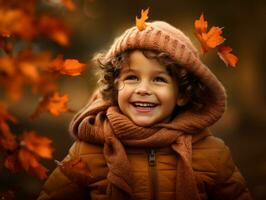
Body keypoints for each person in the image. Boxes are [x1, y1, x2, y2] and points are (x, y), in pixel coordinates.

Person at [38, 21, 252, 200]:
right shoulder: (89, 150)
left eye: (159, 79)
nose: (143, 89)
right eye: (132, 77)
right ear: (114, 86)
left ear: (183, 94)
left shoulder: (212, 154)